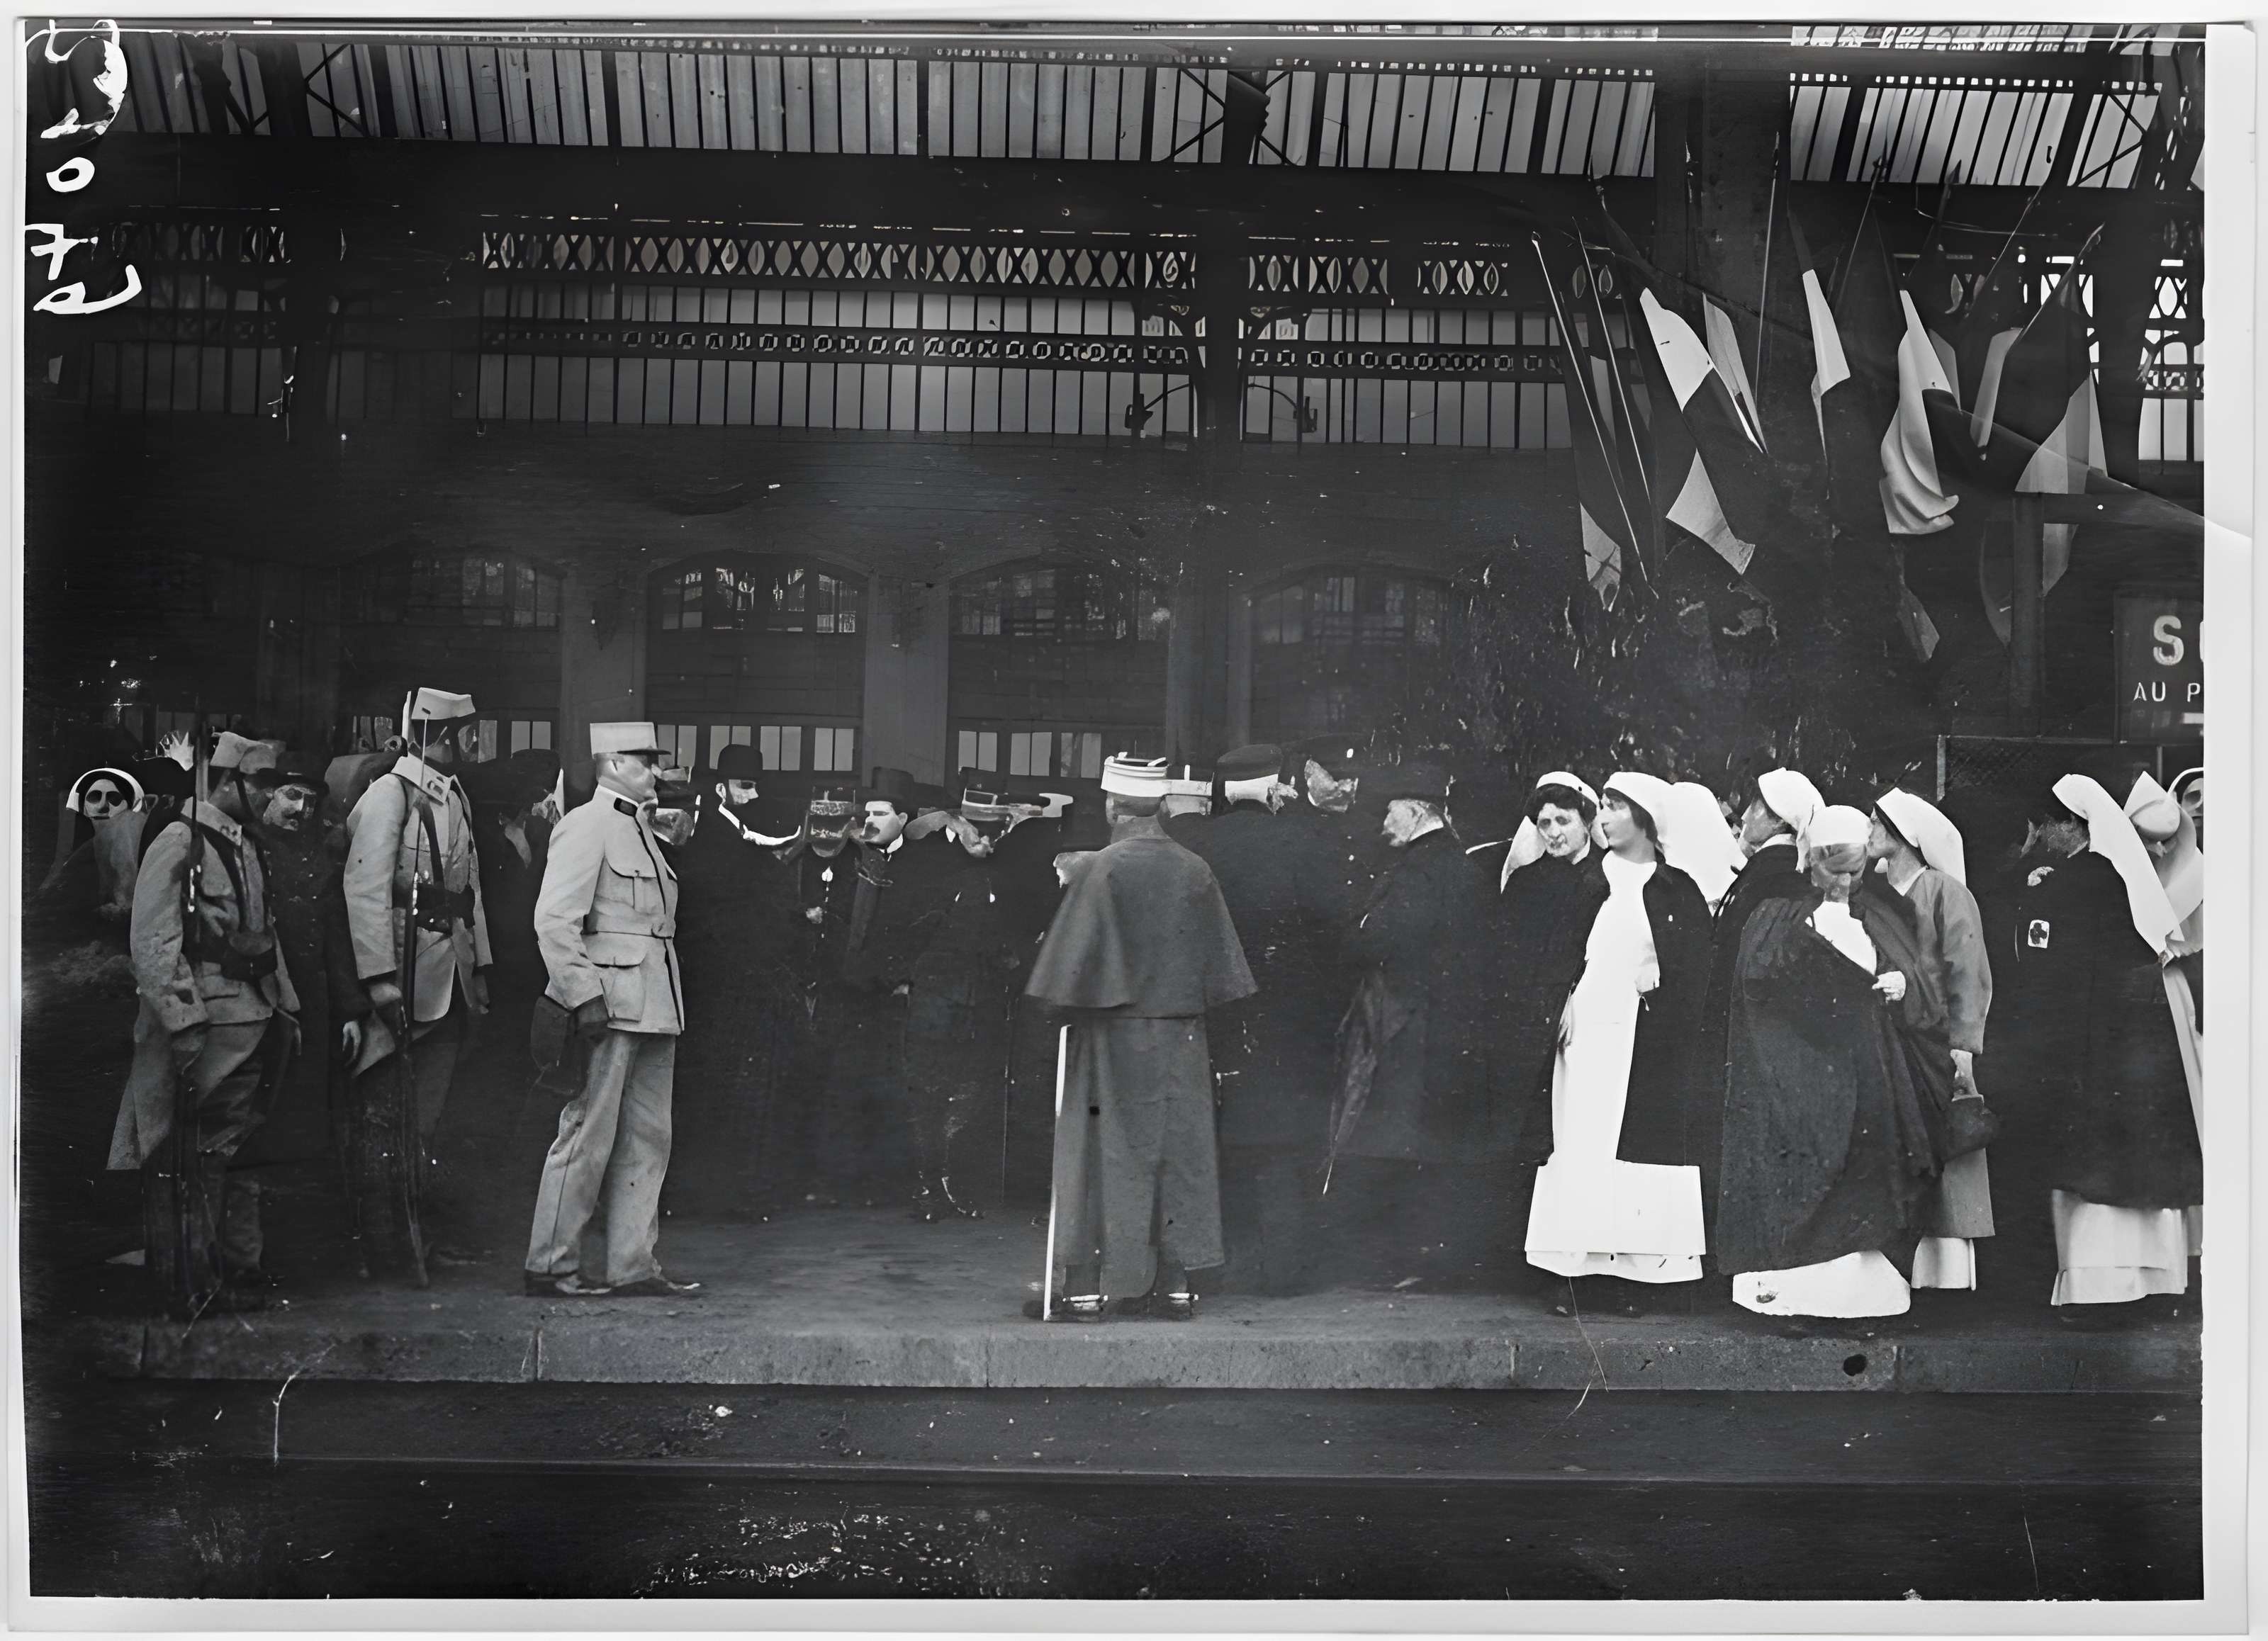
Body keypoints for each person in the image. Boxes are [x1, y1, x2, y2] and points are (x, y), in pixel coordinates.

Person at [1024, 755, 1255, 1321]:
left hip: (1113, 1035)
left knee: (1101, 1153)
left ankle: (1085, 1290)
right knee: (1180, 1156)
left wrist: (1055, 1011)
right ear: (1161, 806)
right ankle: (1176, 1286)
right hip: (1182, 1036)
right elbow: (1225, 974)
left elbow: (1067, 975)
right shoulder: (1196, 868)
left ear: (1111, 805)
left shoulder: (1102, 869)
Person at [1716, 806, 1950, 1323]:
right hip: (1793, 1072)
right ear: (1811, 863)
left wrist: (1901, 985)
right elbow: (1757, 990)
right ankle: (1791, 1302)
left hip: (1865, 1069)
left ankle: (1861, 1304)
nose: (1845, 883)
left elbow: (1919, 982)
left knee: (1861, 1182)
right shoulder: (1774, 916)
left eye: (1855, 872)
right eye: (1835, 871)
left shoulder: (1884, 913)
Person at [109, 731, 301, 1316]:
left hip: (254, 1015)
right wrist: (183, 1020)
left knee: (234, 1152)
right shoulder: (180, 838)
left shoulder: (246, 844)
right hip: (207, 1025)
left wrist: (287, 1008)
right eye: (262, 783)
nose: (271, 795)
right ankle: (190, 1276)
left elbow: (266, 932)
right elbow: (153, 939)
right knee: (194, 1156)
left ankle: (234, 1266)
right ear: (226, 782)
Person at [2004, 776, 2201, 1320]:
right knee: (2137, 1164)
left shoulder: (2064, 885)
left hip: (2082, 1045)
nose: (2041, 835)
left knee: (2089, 1171)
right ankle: (2155, 1283)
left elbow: (2043, 973)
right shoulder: (2117, 881)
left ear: (2070, 826)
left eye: (2047, 825)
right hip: (2129, 1044)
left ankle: (2096, 1291)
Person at [1522, 771, 1715, 1314]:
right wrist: (1557, 1002)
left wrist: (1664, 980)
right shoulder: (1584, 880)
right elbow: (1556, 954)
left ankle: (1633, 1273)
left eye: (1614, 807)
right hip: (1586, 1033)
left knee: (1634, 1150)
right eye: (1602, 806)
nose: (1602, 817)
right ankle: (1571, 1273)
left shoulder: (1677, 887)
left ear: (1645, 818)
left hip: (1647, 1037)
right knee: (1580, 1141)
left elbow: (1697, 964)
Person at [1321, 762, 1520, 1289]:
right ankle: (1435, 1259)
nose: (1384, 823)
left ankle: (1406, 1263)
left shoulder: (1415, 871)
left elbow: (1378, 938)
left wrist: (1357, 933)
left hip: (1408, 1027)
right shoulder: (1461, 867)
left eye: (1389, 812)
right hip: (1451, 1028)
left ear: (1413, 812)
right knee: (1437, 1147)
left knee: (1401, 1146)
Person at [523, 722, 700, 1299]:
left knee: (650, 1138)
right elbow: (554, 920)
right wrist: (584, 997)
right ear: (614, 763)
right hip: (610, 1004)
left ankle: (632, 1265)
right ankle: (550, 1264)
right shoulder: (588, 825)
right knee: (586, 1135)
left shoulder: (643, 829)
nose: (656, 771)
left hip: (655, 1004)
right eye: (646, 762)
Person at [340, 688, 495, 1273]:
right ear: (443, 737)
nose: (477, 744)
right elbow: (364, 888)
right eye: (469, 733)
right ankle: (384, 1244)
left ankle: (418, 1237)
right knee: (389, 1117)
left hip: (447, 976)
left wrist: (480, 967)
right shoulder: (391, 795)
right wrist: (378, 978)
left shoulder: (455, 797)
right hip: (403, 978)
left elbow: (468, 894)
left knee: (429, 1120)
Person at [1200, 743, 1349, 1295]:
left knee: (1207, 1139)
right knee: (1281, 1144)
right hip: (1287, 1015)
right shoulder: (1305, 843)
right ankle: (1282, 1273)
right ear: (1274, 789)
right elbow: (1334, 933)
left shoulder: (1196, 843)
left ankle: (1203, 1268)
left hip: (1212, 1012)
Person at [854, 771, 1016, 1220]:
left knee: (971, 1093)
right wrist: (902, 979)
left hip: (978, 1000)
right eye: (977, 828)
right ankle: (925, 1188)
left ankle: (951, 1186)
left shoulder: (1001, 870)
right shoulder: (927, 860)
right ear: (961, 820)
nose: (986, 839)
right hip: (934, 998)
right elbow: (899, 927)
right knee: (927, 1094)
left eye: (995, 829)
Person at [665, 740, 806, 1219]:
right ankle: (720, 1195)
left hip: (742, 982)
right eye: (745, 785)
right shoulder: (714, 843)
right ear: (722, 789)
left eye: (756, 785)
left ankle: (727, 1192)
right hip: (726, 984)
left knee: (736, 1090)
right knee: (722, 1089)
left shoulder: (744, 835)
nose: (753, 794)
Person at [1868, 788, 1996, 1294]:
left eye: (1878, 823)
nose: (1869, 831)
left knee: (1948, 1151)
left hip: (1936, 1041)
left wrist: (1964, 1044)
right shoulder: (1875, 892)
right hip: (1889, 1038)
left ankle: (1944, 1277)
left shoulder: (1944, 892)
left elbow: (1969, 972)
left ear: (1902, 836)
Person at [234, 746, 367, 1188]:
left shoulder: (319, 856)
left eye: (311, 801)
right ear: (269, 793)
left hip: (314, 997)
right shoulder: (243, 848)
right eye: (292, 795)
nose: (301, 809)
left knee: (306, 1110)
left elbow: (336, 936)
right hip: (257, 995)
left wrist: (349, 1010)